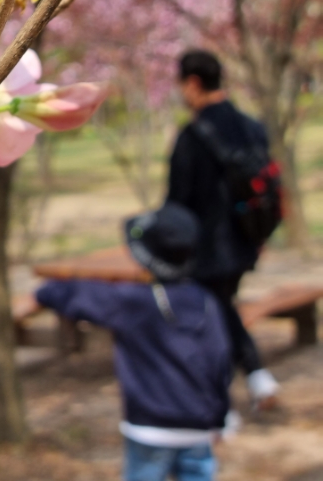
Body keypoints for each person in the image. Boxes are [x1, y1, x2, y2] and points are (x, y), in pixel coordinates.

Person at [35, 203, 231, 481]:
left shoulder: (133, 302)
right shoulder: (206, 302)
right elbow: (220, 363)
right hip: (198, 425)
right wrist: (220, 418)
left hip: (150, 427)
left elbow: (66, 294)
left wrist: (44, 293)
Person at [168, 49, 279, 407]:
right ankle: (253, 381)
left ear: (194, 83)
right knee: (223, 307)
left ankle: (235, 392)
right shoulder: (252, 126)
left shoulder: (192, 136)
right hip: (248, 238)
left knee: (215, 316)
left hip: (207, 248)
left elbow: (177, 200)